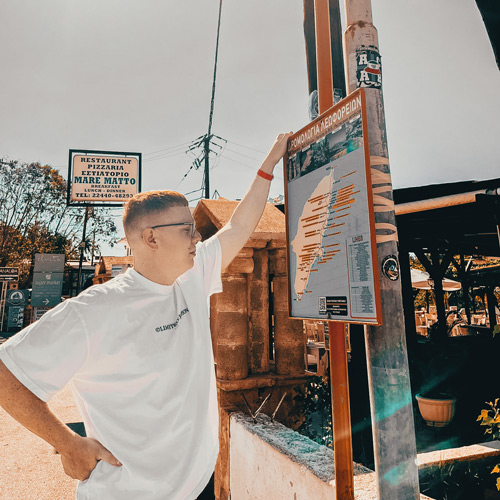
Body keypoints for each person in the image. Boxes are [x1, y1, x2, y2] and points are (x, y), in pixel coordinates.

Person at [0, 132, 292, 500]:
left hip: (199, 485)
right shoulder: (94, 310)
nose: (196, 238)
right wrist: (67, 443)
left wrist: (269, 164)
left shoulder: (191, 277)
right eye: (186, 229)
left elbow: (239, 227)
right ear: (151, 238)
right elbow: (5, 373)